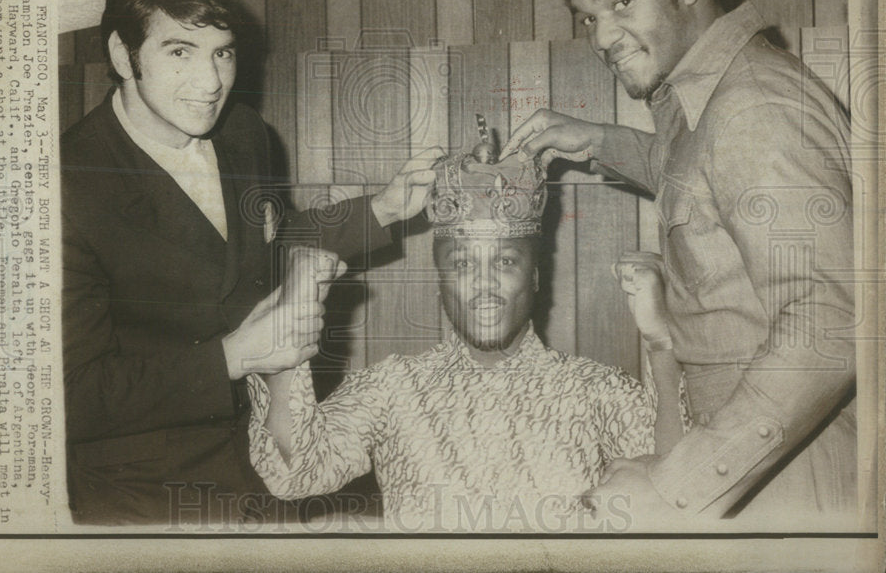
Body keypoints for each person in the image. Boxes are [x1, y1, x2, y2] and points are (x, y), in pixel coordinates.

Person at [502, 0, 855, 524]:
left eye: (620, 5)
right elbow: (708, 179)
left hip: (791, 479)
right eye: (589, 15)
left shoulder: (753, 108)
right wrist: (598, 141)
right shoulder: (712, 96)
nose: (601, 37)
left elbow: (829, 322)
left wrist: (678, 486)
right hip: (759, 459)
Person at [60, 0, 441, 525]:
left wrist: (382, 209)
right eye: (179, 52)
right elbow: (72, 396)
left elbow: (264, 241)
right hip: (140, 486)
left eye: (223, 53)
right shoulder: (62, 184)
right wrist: (234, 356)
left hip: (261, 445)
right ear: (122, 55)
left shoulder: (242, 133)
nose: (211, 82)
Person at [246, 148, 683, 532]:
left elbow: (678, 481)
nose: (484, 285)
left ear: (534, 278)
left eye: (506, 261)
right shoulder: (391, 389)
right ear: (440, 282)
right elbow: (295, 473)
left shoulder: (596, 390)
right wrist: (292, 330)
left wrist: (662, 341)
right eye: (462, 265)